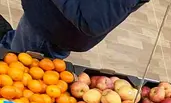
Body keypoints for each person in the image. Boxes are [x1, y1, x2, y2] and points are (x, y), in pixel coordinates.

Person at [0, 0, 149, 59]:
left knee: (17, 70)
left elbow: (93, 21)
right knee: (14, 45)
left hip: (49, 32)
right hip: (44, 19)